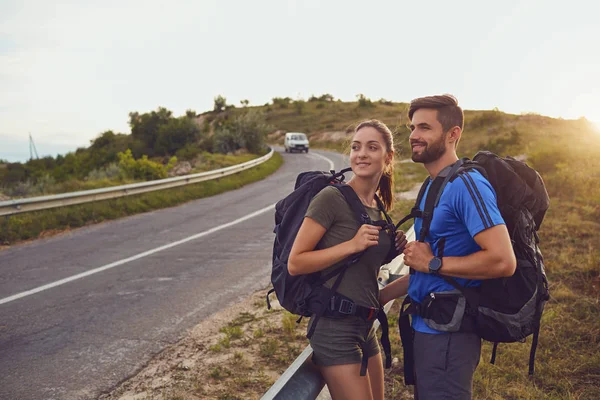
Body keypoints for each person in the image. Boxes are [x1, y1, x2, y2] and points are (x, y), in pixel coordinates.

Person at [379, 94, 517, 399]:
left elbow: (503, 261)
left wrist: (434, 263)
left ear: (453, 134)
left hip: (450, 335)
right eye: (413, 127)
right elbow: (424, 267)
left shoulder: (467, 185)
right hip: (428, 327)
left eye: (425, 127)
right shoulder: (432, 186)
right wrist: (382, 297)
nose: (414, 135)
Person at [287, 119, 408, 400]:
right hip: (334, 330)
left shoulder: (378, 207)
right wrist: (351, 245)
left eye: (371, 147)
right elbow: (296, 262)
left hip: (365, 326)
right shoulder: (331, 198)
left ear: (388, 158)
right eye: (356, 147)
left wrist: (399, 252)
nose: (361, 153)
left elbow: (365, 282)